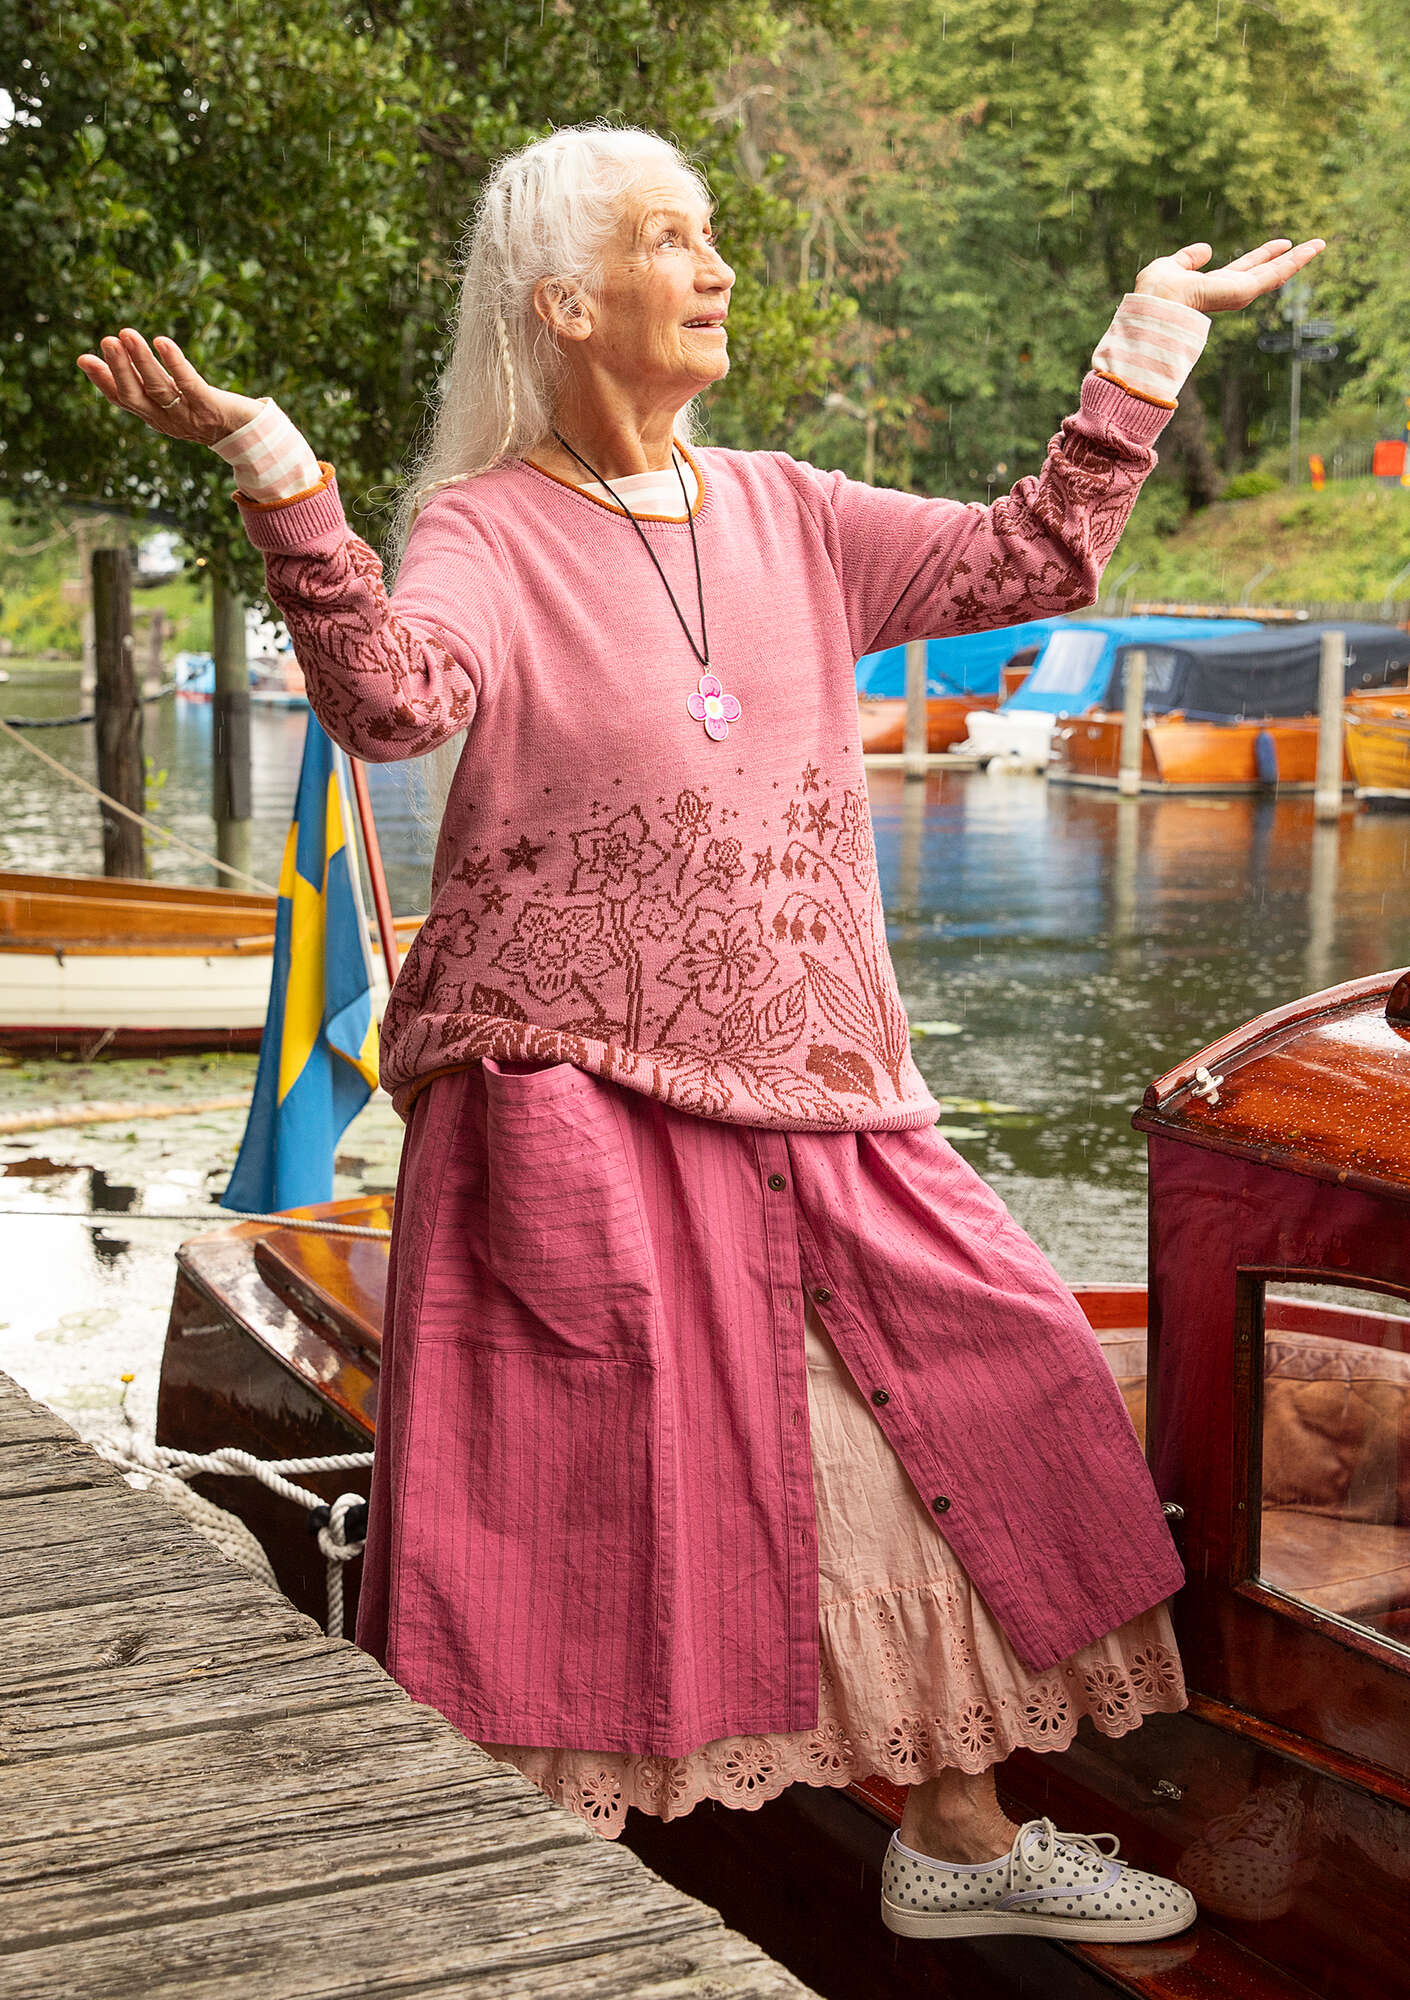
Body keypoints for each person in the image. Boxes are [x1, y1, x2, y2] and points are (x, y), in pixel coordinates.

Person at [78, 123, 1322, 1944]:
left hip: (825, 1077)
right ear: (566, 304)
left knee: (999, 1371)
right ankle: (529, 1883)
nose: (716, 265)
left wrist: (1147, 338)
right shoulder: (486, 522)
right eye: (670, 238)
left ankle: (952, 1841)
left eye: (710, 231)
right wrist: (277, 469)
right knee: (597, 1491)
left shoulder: (789, 507)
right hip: (576, 1090)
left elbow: (1035, 558)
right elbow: (395, 702)